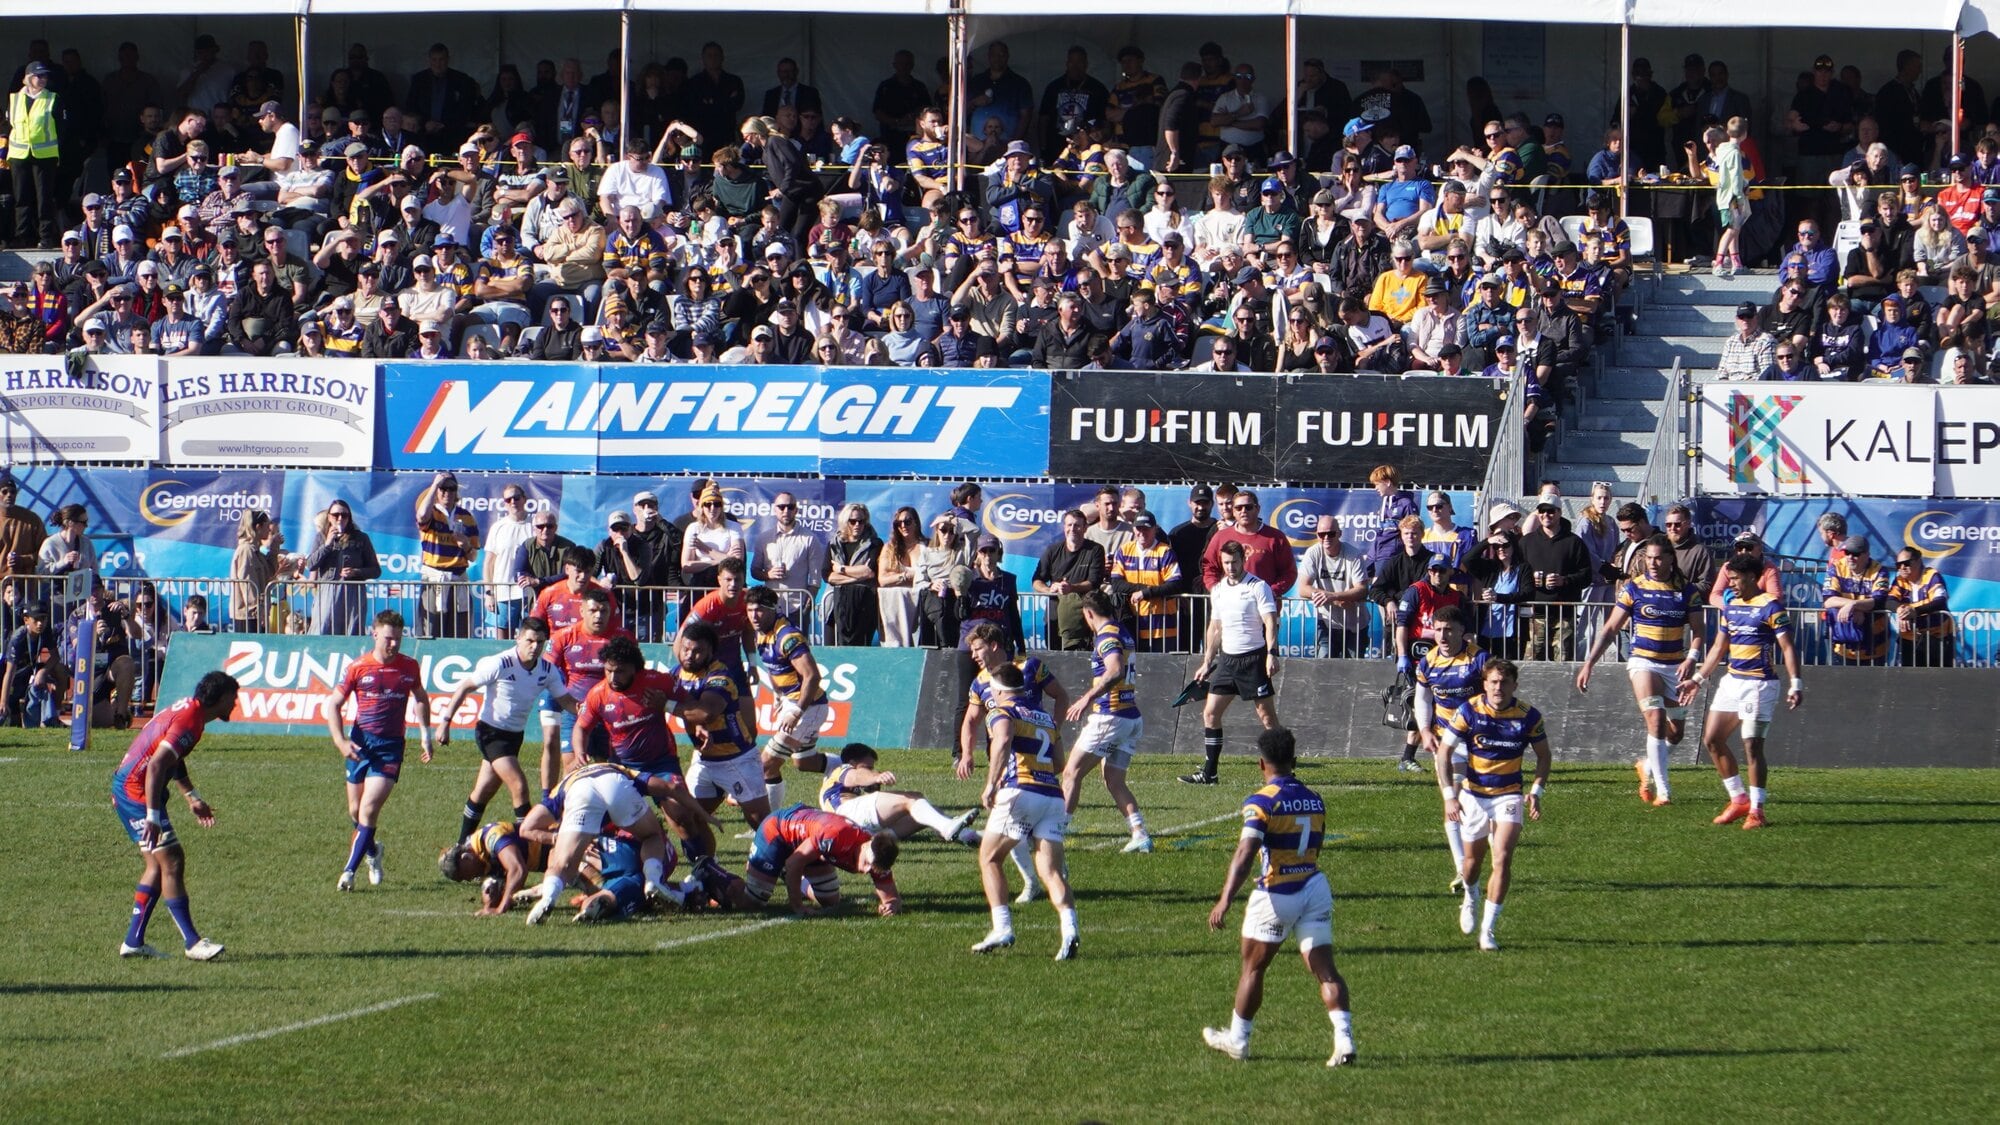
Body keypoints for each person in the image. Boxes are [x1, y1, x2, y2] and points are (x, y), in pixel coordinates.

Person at [1201, 728, 1355, 1066]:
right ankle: (1345, 1040)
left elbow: (1245, 852)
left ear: (1261, 763)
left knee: (1253, 969)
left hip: (1276, 892)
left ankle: (1238, 1040)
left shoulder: (1261, 801)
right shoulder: (1315, 797)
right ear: (1295, 761)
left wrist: (1225, 899)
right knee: (1326, 970)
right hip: (1314, 885)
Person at [110, 671, 239, 961]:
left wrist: (190, 795)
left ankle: (133, 942)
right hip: (136, 792)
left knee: (157, 867)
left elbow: (172, 758)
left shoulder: (191, 711)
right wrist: (153, 816)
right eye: (233, 698)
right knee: (173, 860)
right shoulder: (190, 720)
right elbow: (156, 766)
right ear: (218, 699)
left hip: (131, 788)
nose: (235, 704)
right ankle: (192, 943)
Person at [1576, 536, 1704, 808]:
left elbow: (1699, 633)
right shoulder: (1634, 588)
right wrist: (1589, 663)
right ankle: (1664, 792)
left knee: (1676, 732)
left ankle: (1647, 766)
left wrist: (1692, 659)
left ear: (1671, 558)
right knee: (1655, 720)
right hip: (1643, 662)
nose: (1653, 563)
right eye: (1649, 558)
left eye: (1658, 558)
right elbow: (1611, 628)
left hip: (1675, 666)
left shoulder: (1687, 591)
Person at [1678, 555, 1804, 831]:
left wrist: (1796, 682)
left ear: (1752, 578)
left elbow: (1788, 648)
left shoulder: (1771, 607)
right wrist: (1698, 678)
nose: (1730, 584)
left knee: (1752, 745)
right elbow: (1719, 648)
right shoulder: (1731, 606)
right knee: (1712, 739)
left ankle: (1758, 810)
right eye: (1729, 578)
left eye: (1735, 578)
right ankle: (1738, 799)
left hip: (1759, 685)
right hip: (1732, 681)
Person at [432, 616, 574, 844]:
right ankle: (528, 847)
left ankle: (461, 847)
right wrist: (445, 722)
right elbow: (465, 687)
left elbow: (566, 700)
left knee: (483, 792)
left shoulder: (547, 670)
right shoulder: (501, 663)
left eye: (539, 642)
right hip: (490, 733)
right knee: (519, 785)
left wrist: (589, 714)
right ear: (518, 638)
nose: (534, 647)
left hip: (514, 737)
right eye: (529, 641)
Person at [971, 663, 1079, 959]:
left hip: (1021, 790)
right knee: (1051, 870)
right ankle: (1070, 930)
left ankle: (1002, 926)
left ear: (998, 689)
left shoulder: (1001, 711)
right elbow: (1059, 764)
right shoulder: (1044, 716)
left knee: (990, 857)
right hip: (1052, 795)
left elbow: (1003, 739)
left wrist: (991, 783)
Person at [1440, 659, 1550, 951]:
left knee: (1501, 857)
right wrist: (1450, 795)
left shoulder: (1529, 716)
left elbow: (1544, 756)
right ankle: (1471, 895)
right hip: (1473, 795)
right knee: (1471, 865)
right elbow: (1443, 752)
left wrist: (1537, 791)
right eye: (1493, 682)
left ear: (1515, 685)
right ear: (1484, 684)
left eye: (1504, 682)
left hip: (1509, 795)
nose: (1498, 688)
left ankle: (1488, 931)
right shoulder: (1469, 711)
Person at [323, 611, 433, 892]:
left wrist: (424, 734)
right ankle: (372, 852)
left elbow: (420, 698)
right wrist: (340, 741)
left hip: (390, 748)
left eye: (398, 639)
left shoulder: (409, 667)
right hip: (360, 744)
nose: (394, 644)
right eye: (388, 639)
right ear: (374, 635)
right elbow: (333, 704)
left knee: (369, 809)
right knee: (355, 810)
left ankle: (349, 872)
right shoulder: (358, 667)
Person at [1060, 592, 1151, 854]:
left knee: (1071, 773)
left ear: (1088, 614)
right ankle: (1140, 833)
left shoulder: (1107, 637)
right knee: (1113, 779)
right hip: (1131, 717)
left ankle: (1055, 833)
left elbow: (1114, 670)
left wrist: (1086, 698)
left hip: (1110, 717)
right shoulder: (1122, 631)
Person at [1183, 541, 1281, 786]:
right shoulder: (1218, 590)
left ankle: (1283, 769)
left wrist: (1271, 653)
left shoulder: (1258, 587)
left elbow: (1270, 621)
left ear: (1243, 559)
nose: (1230, 567)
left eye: (1234, 562)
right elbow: (1215, 628)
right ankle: (1210, 773)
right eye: (1226, 563)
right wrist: (1207, 662)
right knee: (1210, 713)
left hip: (1253, 659)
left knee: (1267, 718)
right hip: (1227, 661)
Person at [1412, 606, 1490, 889]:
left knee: (1481, 801)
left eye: (1449, 630)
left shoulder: (1479, 659)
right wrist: (1424, 730)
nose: (1442, 636)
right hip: (1448, 742)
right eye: (1438, 629)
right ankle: (1462, 869)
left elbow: (1496, 692)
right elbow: (1422, 700)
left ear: (1462, 632)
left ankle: (1487, 856)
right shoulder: (1427, 663)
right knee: (1452, 801)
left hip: (1479, 741)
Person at [746, 586, 831, 812]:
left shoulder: (787, 636)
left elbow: (812, 676)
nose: (754, 615)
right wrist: (778, 696)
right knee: (805, 762)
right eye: (750, 610)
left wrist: (796, 712)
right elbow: (775, 670)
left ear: (774, 610)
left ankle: (768, 824)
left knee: (767, 765)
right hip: (793, 702)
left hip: (809, 707)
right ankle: (852, 769)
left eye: (760, 610)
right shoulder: (761, 631)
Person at [819, 742, 978, 845]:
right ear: (852, 763)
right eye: (867, 766)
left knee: (924, 812)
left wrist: (873, 783)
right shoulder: (843, 769)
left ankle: (966, 835)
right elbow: (855, 776)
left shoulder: (849, 787)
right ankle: (948, 827)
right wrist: (876, 777)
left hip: (859, 833)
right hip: (846, 816)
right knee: (911, 798)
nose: (871, 770)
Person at [1515, 499, 1592, 661]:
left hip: (1565, 614)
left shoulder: (1574, 542)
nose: (1546, 515)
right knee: (1532, 662)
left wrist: (1564, 580)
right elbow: (1514, 573)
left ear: (1559, 513)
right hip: (1535, 614)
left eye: (1551, 511)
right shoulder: (1526, 542)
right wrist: (1529, 580)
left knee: (1563, 661)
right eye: (1541, 511)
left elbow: (1586, 576)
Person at [415, 472, 481, 639]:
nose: (447, 492)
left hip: (459, 578)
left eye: (451, 488)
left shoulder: (467, 517)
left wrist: (466, 545)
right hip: (435, 578)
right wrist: (434, 484)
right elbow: (422, 516)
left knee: (460, 631)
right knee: (430, 629)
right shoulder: (432, 512)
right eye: (442, 488)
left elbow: (473, 556)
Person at [302, 499, 381, 636]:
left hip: (353, 592)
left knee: (352, 631)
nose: (340, 518)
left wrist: (356, 572)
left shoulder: (361, 538)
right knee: (323, 628)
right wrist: (327, 544)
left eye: (344, 515)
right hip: (328, 591)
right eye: (335, 515)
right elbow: (311, 564)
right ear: (329, 517)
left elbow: (375, 570)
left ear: (349, 518)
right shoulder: (321, 537)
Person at [1031, 508, 1106, 651]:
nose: (1073, 529)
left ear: (1085, 528)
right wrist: (1049, 589)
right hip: (1055, 614)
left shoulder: (1095, 550)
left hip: (1084, 616)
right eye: (1069, 525)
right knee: (1054, 655)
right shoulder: (1052, 550)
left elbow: (1094, 582)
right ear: (1064, 527)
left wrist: (1072, 588)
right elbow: (1036, 580)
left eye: (1077, 525)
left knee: (1082, 659)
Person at [1299, 516, 1368, 659]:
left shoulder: (1354, 555)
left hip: (1355, 624)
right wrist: (1333, 599)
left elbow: (1362, 589)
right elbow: (1303, 588)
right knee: (1323, 670)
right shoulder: (1313, 553)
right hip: (1326, 622)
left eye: (1330, 534)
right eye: (1321, 534)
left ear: (1339, 534)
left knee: (1354, 671)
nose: (1326, 538)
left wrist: (1334, 596)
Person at [1822, 534, 1892, 665]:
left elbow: (1879, 601)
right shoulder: (1836, 567)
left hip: (1874, 645)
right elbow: (1828, 599)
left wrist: (1854, 605)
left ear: (1866, 554)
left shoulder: (1879, 571)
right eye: (1847, 552)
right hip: (1843, 647)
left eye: (1855, 554)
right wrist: (1853, 606)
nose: (1850, 557)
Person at [823, 502, 881, 646]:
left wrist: (841, 569)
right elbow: (828, 576)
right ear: (845, 521)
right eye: (853, 521)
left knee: (860, 651)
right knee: (832, 651)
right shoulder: (834, 544)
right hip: (834, 607)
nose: (857, 525)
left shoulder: (874, 544)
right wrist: (857, 576)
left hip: (862, 607)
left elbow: (869, 572)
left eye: (861, 521)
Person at [1, 602, 65, 728]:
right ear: (26, 620)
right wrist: (3, 701)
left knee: (60, 670)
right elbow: (9, 672)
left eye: (43, 618)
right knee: (11, 720)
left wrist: (43, 672)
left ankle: (55, 715)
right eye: (36, 619)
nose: (40, 623)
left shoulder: (45, 631)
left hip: (32, 669)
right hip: (15, 674)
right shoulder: (18, 638)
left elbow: (55, 656)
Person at [1889, 548, 1955, 667]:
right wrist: (1900, 611)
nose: (1902, 568)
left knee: (1940, 680)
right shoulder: (1899, 580)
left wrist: (1914, 611)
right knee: (1910, 680)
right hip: (1910, 639)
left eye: (1906, 563)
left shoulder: (1932, 576)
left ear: (1918, 561)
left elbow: (1940, 601)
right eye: (1898, 565)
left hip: (1937, 637)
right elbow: (1889, 601)